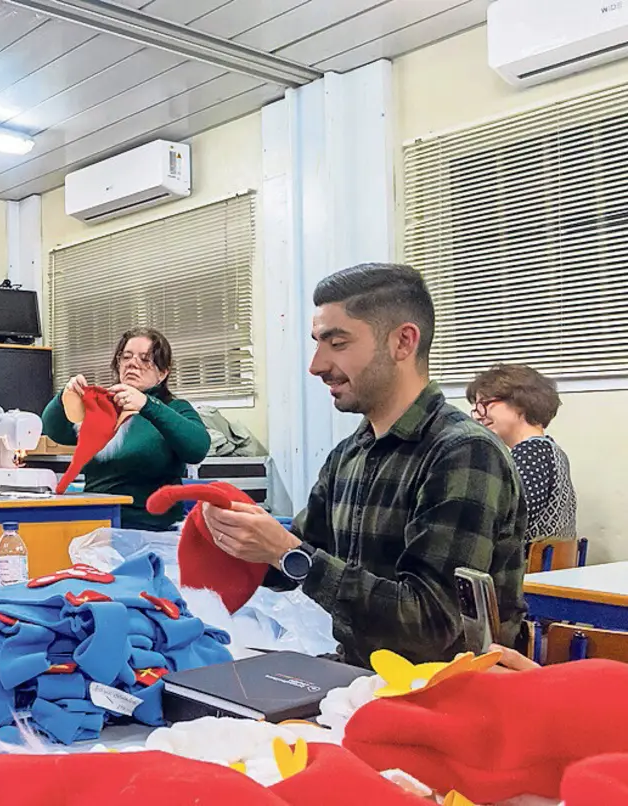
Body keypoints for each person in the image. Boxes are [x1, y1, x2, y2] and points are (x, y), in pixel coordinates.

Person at [202, 264, 526, 667]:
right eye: (318, 344)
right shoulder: (349, 455)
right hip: (358, 675)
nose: (316, 365)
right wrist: (232, 538)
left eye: (337, 343)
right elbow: (291, 562)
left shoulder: (464, 453)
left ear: (403, 342)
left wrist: (287, 552)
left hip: (440, 687)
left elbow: (432, 629)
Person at [42, 327, 210, 530]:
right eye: (126, 357)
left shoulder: (173, 408)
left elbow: (197, 448)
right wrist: (65, 396)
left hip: (149, 529)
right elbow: (54, 431)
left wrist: (147, 405)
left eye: (145, 359)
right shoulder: (103, 408)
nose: (132, 363)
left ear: (163, 373)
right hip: (97, 522)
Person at [466, 364, 578, 542]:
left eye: (485, 404)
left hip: (523, 559)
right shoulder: (550, 451)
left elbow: (506, 521)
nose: (478, 416)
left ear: (520, 402)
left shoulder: (531, 453)